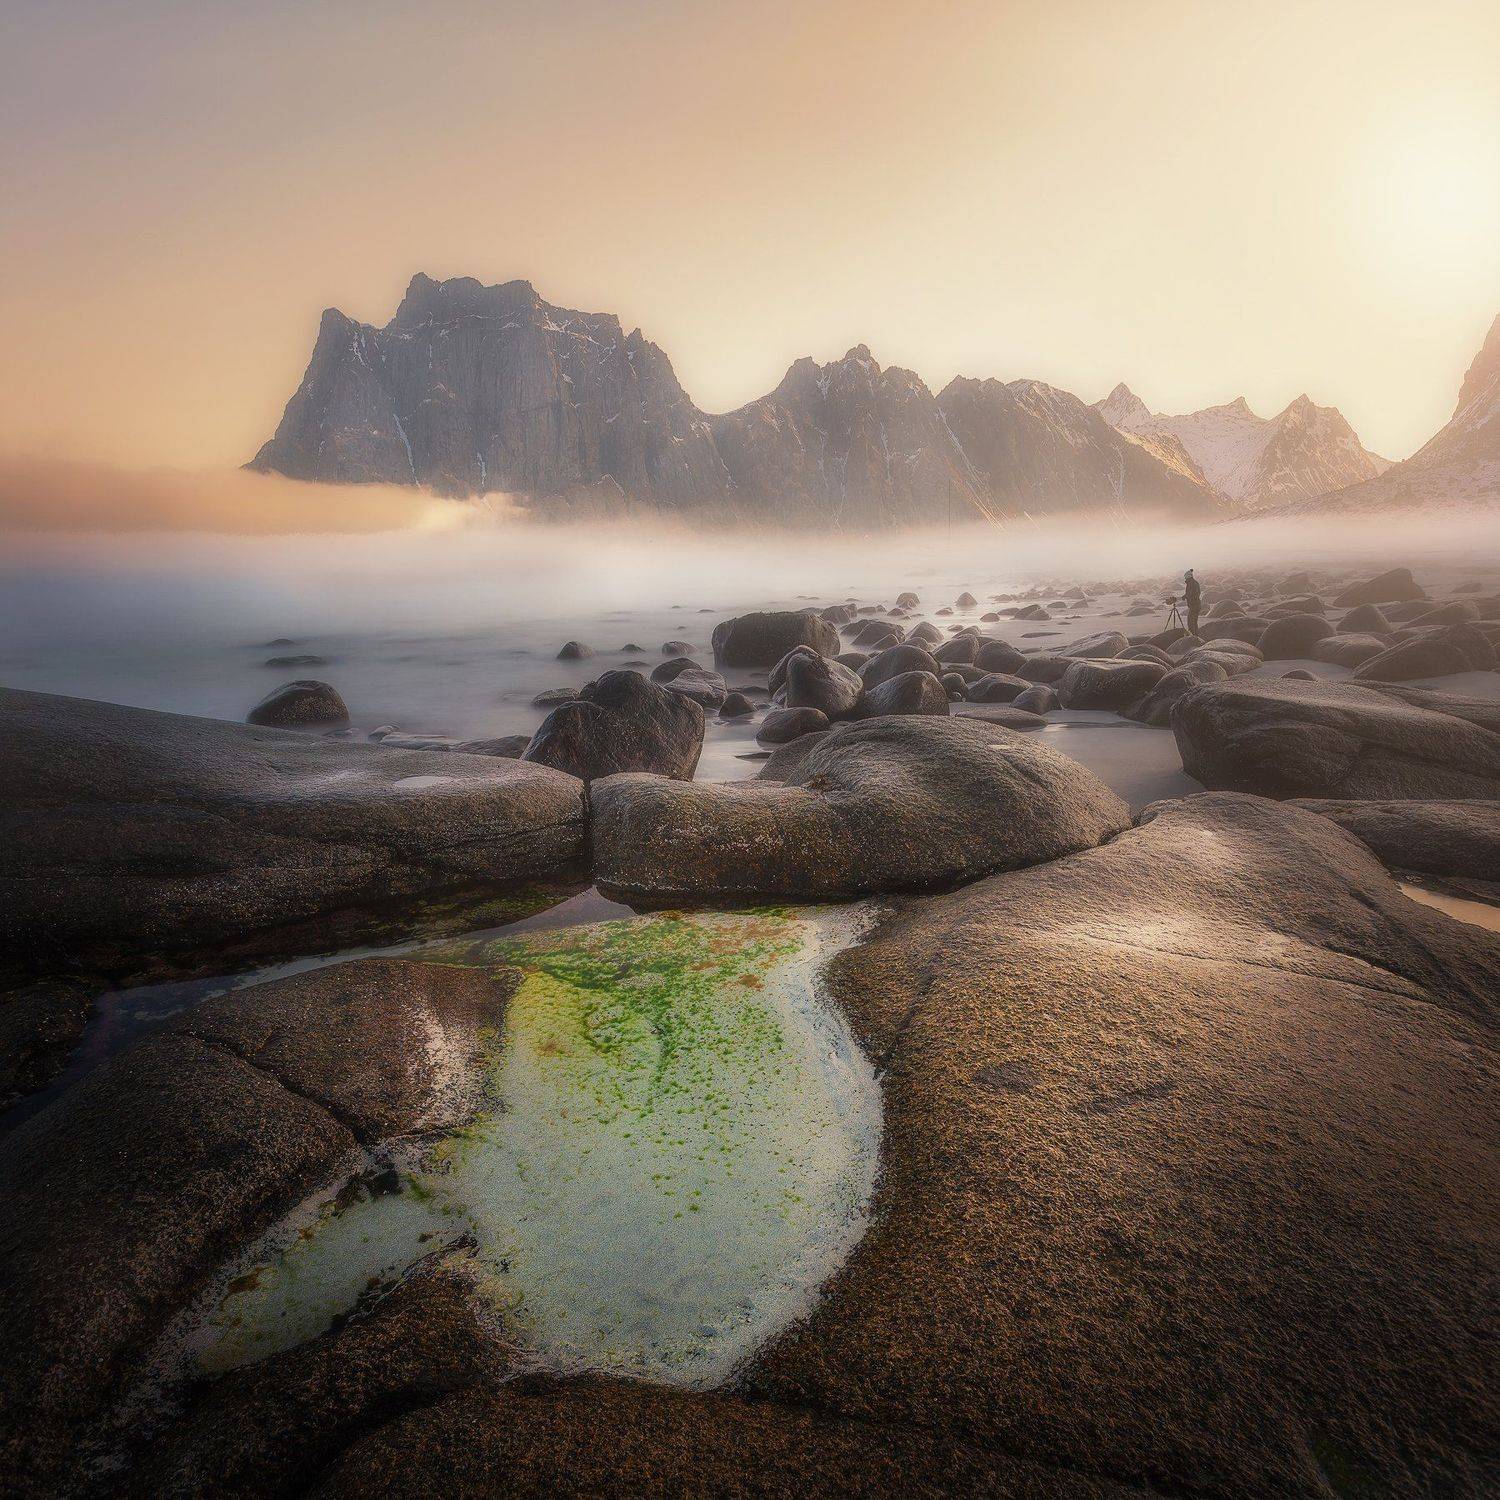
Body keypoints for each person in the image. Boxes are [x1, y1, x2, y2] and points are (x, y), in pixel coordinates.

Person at [1182, 568, 1202, 636]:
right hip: (1196, 604)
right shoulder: (1195, 583)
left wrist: (1186, 596)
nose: (1185, 579)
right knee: (1194, 621)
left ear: (1188, 577)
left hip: (1194, 605)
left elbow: (1192, 594)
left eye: (1185, 577)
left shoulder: (1191, 583)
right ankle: (1196, 635)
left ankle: (1193, 636)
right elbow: (1196, 593)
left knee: (1190, 622)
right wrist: (1186, 596)